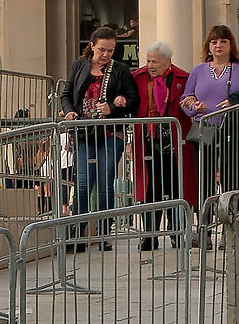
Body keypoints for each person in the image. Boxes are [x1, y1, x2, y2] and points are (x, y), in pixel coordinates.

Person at [62, 27, 138, 249]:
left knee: (106, 182)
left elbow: (133, 99)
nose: (105, 54)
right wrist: (69, 111)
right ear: (92, 45)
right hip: (84, 132)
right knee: (84, 183)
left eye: (110, 50)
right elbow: (66, 94)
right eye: (102, 49)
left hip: (110, 132)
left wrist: (113, 106)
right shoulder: (79, 66)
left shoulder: (121, 70)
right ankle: (78, 230)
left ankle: (104, 231)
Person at [181, 24, 239, 203]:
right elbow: (185, 100)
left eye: (223, 41)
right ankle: (206, 225)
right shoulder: (198, 71)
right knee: (204, 179)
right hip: (205, 130)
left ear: (231, 44)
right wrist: (195, 107)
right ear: (208, 46)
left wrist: (234, 102)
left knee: (230, 179)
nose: (219, 45)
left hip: (232, 131)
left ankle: (230, 222)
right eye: (214, 41)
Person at [133, 41, 198, 250]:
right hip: (148, 141)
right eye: (148, 60)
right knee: (151, 190)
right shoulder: (138, 78)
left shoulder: (183, 78)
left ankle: (177, 232)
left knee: (176, 188)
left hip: (176, 143)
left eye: (155, 62)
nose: (150, 65)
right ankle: (150, 234)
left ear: (168, 62)